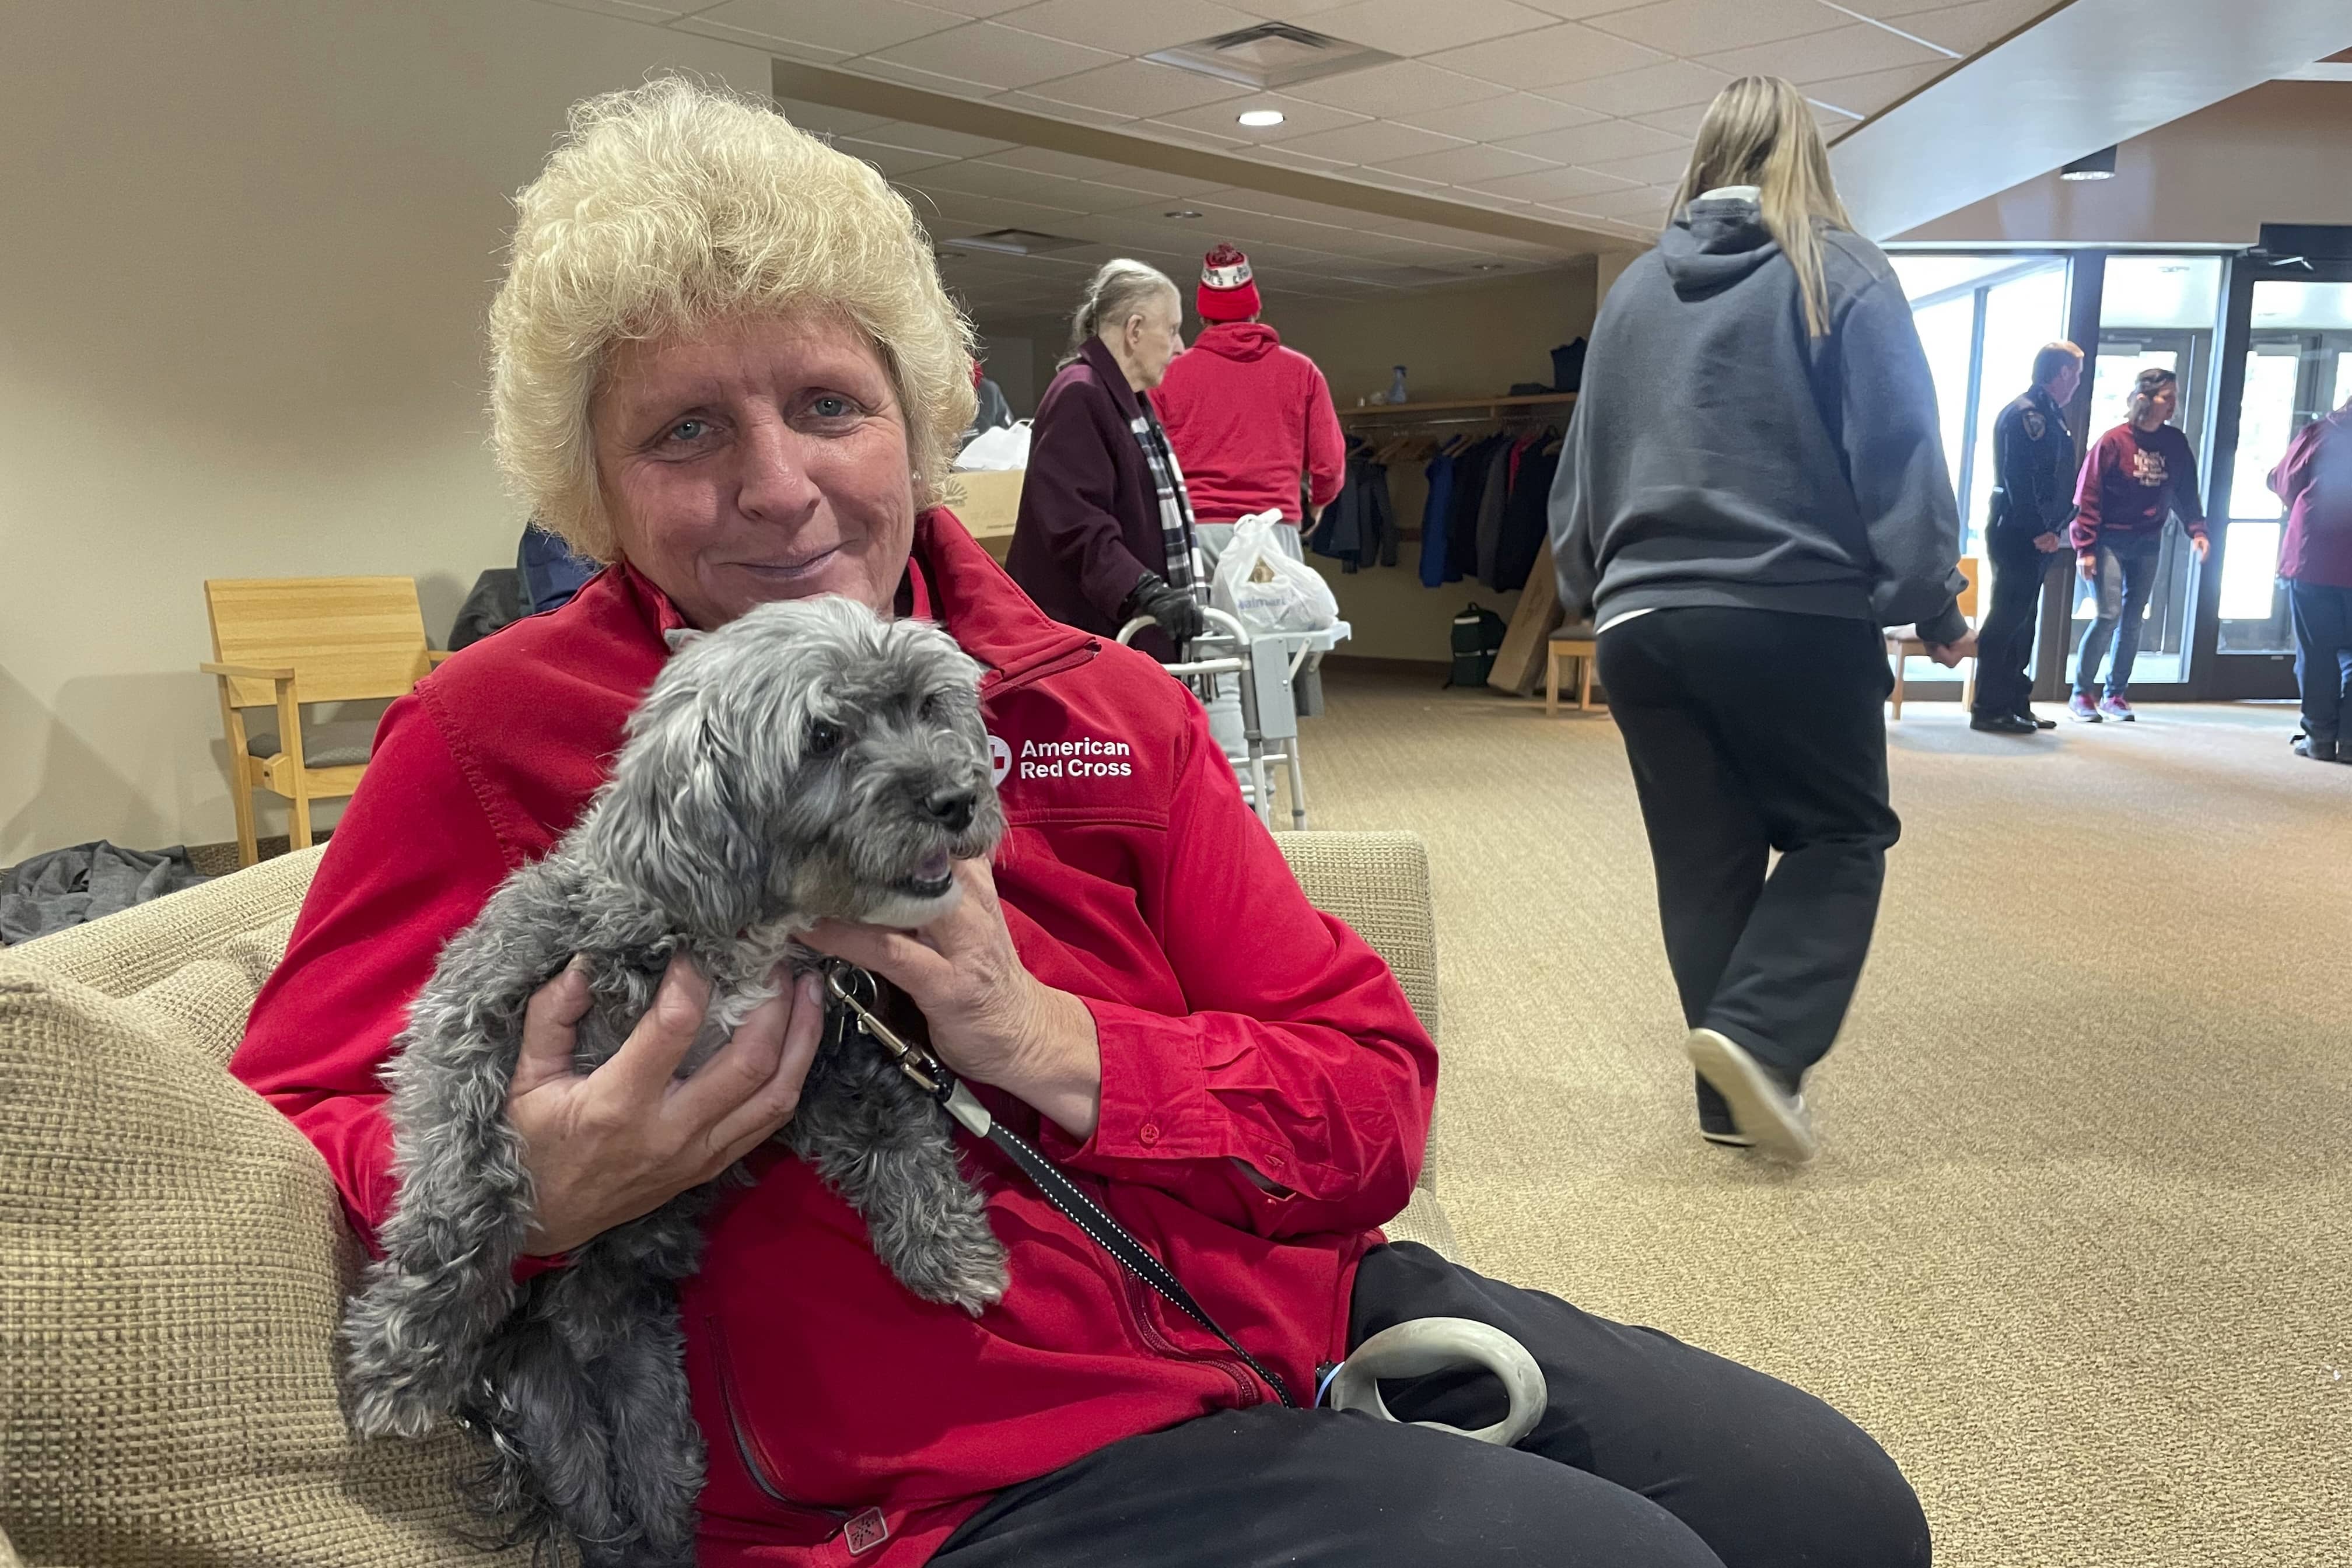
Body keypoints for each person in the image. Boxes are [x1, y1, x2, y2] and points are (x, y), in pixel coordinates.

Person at [229, 80, 1927, 1568]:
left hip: (1277, 1316)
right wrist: (535, 1182)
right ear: (594, 483)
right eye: (686, 429)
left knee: (1839, 1512)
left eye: (827, 402)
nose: (775, 485)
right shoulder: (495, 733)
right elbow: (287, 1115)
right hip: (943, 1481)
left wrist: (1060, 1041)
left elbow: (1367, 1096)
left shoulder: (1098, 698)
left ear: (912, 411)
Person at [1550, 75, 1973, 1164]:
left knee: (1705, 856)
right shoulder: (1838, 270)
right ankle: (1753, 1035)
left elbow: (1581, 466)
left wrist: (1593, 591)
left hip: (1640, 615)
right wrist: (1928, 596)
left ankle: (1729, 1101)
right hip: (1787, 601)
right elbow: (1898, 447)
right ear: (1806, 155)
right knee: (1841, 833)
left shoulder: (1636, 290)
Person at [1152, 243, 1348, 759]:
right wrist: (1319, 501)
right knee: (1273, 657)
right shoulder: (1302, 372)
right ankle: (1275, 782)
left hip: (1200, 537)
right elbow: (1328, 464)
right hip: (1273, 535)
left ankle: (1236, 790)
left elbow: (1148, 457)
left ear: (1201, 313)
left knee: (1216, 662)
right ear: (1257, 307)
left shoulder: (1171, 374)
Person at [1004, 260, 1203, 665]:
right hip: (1086, 636)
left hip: (1113, 631)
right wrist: (1143, 590)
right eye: (1171, 329)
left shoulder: (1127, 404)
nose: (1181, 346)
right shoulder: (1081, 394)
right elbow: (1074, 525)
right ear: (1134, 330)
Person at [2067, 365, 2210, 722]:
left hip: (2148, 541)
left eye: (2175, 398)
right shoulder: (2113, 441)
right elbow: (2088, 495)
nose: (2173, 405)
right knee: (2108, 614)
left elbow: (2185, 492)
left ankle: (2115, 694)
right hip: (2109, 540)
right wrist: (2084, 547)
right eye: (2168, 398)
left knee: (2133, 621)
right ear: (2145, 399)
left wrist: (2198, 530)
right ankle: (2081, 693)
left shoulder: (2175, 444)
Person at [1971, 342, 2082, 734]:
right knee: (2007, 617)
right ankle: (1989, 707)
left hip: (2038, 532)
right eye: (2077, 374)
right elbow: (2021, 479)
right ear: (2063, 373)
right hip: (2019, 531)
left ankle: (2016, 702)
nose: (2078, 383)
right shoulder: (2027, 415)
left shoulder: (2049, 414)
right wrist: (2040, 530)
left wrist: (2054, 528)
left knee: (2025, 620)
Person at [2267, 387, 2352, 761]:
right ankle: (2350, 741)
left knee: (2317, 651)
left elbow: (2285, 483)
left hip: (2315, 558)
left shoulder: (2322, 432)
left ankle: (2319, 738)